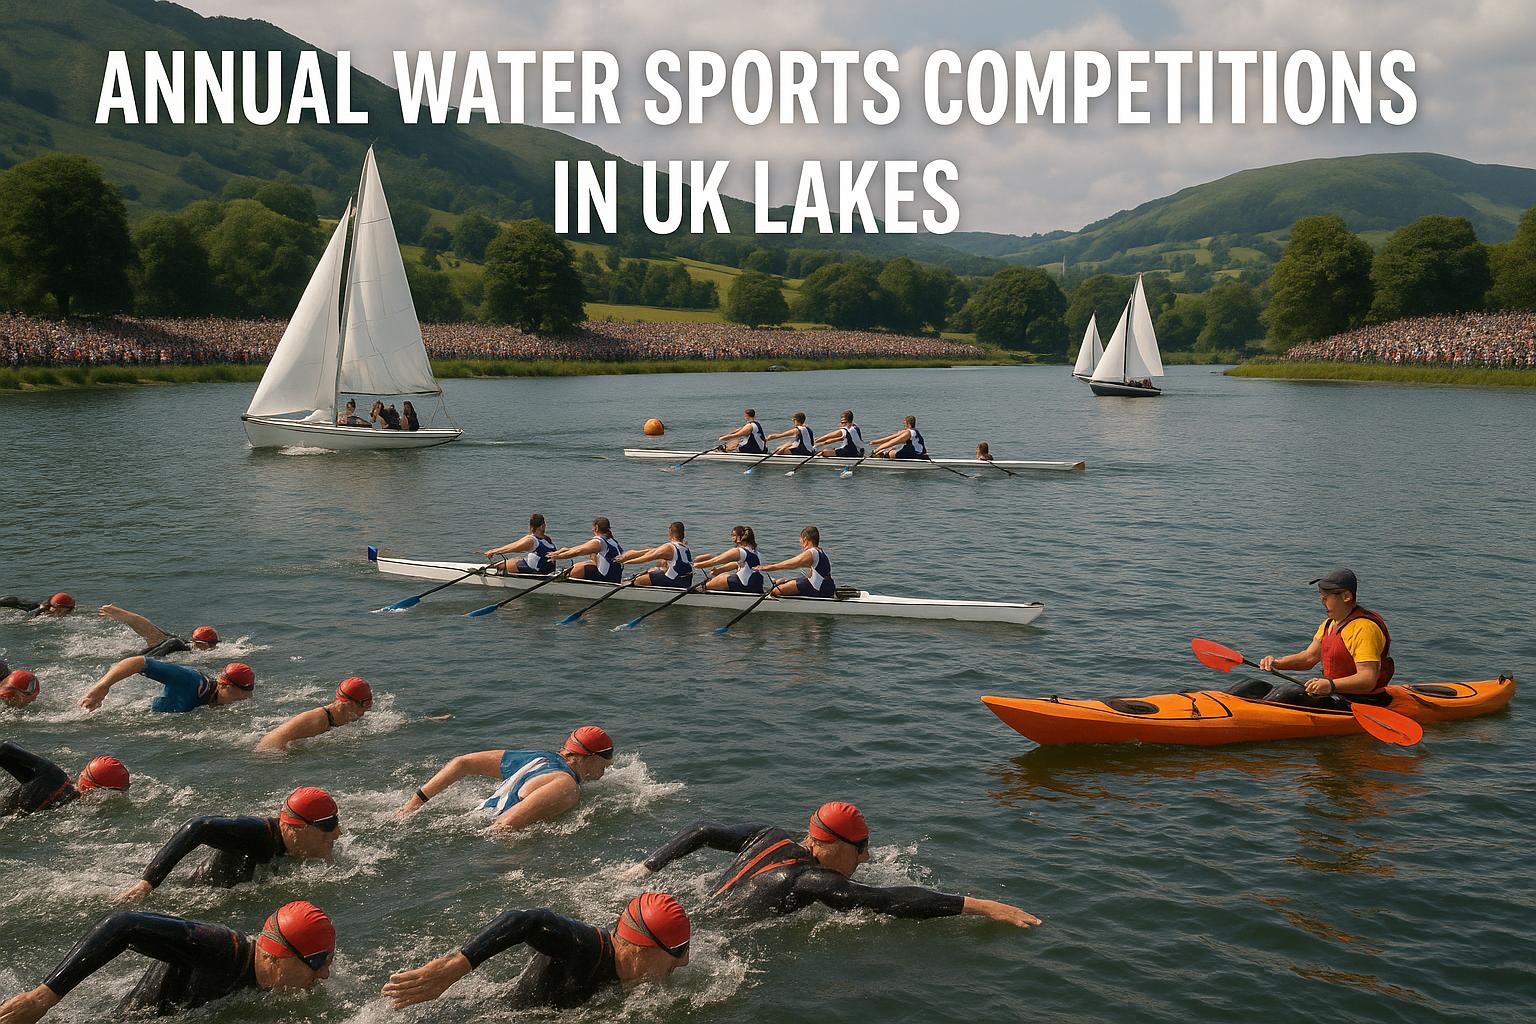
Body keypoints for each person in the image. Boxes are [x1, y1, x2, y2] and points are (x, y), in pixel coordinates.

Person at [623, 801, 1039, 929]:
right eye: (862, 849)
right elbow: (887, 901)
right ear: (841, 847)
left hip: (690, 913)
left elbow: (702, 828)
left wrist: (644, 870)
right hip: (711, 941)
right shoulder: (810, 880)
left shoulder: (768, 833)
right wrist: (979, 905)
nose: (867, 859)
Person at [0, 901, 333, 1021]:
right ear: (278, 956)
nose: (324, 974)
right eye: (317, 963)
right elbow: (123, 923)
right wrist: (42, 997)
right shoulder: (219, 948)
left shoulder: (273, 979)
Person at [382, 893, 690, 1011]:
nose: (685, 960)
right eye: (677, 951)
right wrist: (455, 966)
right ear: (642, 949)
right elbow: (527, 919)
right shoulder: (586, 947)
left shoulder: (632, 972)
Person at [115, 787, 341, 902]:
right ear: (299, 828)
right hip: (200, 893)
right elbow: (199, 826)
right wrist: (148, 882)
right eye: (329, 826)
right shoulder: (257, 836)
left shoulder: (294, 842)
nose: (337, 833)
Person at [397, 726, 613, 834]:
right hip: (478, 833)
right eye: (605, 765)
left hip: (473, 816)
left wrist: (412, 806)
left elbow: (462, 763)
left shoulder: (538, 758)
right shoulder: (566, 785)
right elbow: (504, 825)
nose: (605, 772)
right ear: (591, 758)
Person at [1256, 568, 1395, 708]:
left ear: (1346, 596)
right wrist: (1277, 663)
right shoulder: (1329, 624)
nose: (1322, 600)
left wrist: (1331, 684)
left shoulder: (1364, 629)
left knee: (1290, 692)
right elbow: (1309, 658)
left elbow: (1368, 679)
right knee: (1255, 685)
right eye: (1321, 595)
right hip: (1336, 692)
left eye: (1326, 596)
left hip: (1362, 700)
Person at [78, 658, 255, 713]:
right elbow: (138, 662)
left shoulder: (210, 696)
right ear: (227, 687)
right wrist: (102, 687)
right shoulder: (189, 679)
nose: (241, 703)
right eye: (240, 699)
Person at [1, 742, 129, 816]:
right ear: (87, 787)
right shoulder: (52, 776)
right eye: (113, 794)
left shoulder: (72, 805)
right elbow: (5, 748)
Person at [254, 677, 373, 752]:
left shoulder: (345, 716)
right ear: (349, 703)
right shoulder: (316, 720)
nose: (369, 709)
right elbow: (270, 742)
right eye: (366, 704)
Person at [99, 604, 218, 658]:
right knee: (165, 638)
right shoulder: (178, 645)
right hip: (168, 646)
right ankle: (123, 616)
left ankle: (122, 616)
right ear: (204, 644)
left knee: (158, 633)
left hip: (174, 643)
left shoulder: (188, 644)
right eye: (213, 644)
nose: (214, 647)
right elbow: (148, 658)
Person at [760, 526, 835, 598]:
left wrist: (769, 567)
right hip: (828, 587)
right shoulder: (821, 552)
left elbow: (790, 565)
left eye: (800, 539)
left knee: (775, 590)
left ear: (805, 539)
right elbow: (813, 577)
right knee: (784, 582)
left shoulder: (811, 553)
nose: (800, 542)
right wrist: (787, 581)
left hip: (817, 589)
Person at [548, 517, 624, 583]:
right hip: (615, 578)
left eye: (593, 527)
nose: (592, 529)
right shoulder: (612, 541)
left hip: (605, 578)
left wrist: (558, 557)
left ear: (596, 528)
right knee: (588, 560)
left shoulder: (599, 541)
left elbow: (578, 551)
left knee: (577, 568)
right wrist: (563, 551)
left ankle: (562, 581)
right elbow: (579, 548)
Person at [618, 521, 692, 588]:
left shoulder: (669, 547)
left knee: (639, 580)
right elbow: (652, 551)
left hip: (675, 580)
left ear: (670, 533)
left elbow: (647, 558)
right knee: (656, 568)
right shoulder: (685, 547)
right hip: (687, 582)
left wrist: (626, 562)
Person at [694, 526, 765, 593]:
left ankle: (699, 589)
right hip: (757, 585)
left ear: (740, 537)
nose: (732, 538)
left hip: (745, 585)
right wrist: (719, 570)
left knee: (722, 578)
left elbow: (716, 560)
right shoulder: (756, 553)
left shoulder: (739, 551)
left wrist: (698, 565)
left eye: (733, 535)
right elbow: (735, 564)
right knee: (725, 574)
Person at [485, 513, 558, 576]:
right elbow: (516, 544)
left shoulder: (531, 541)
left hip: (536, 571)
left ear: (531, 526)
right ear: (542, 526)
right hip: (549, 570)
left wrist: (494, 552)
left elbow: (512, 548)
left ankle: (492, 572)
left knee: (502, 565)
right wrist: (494, 551)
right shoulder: (547, 539)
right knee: (517, 558)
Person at [0, 592, 74, 618]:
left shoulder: (68, 607)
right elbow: (32, 616)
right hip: (10, 601)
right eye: (64, 609)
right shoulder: (43, 607)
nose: (66, 610)